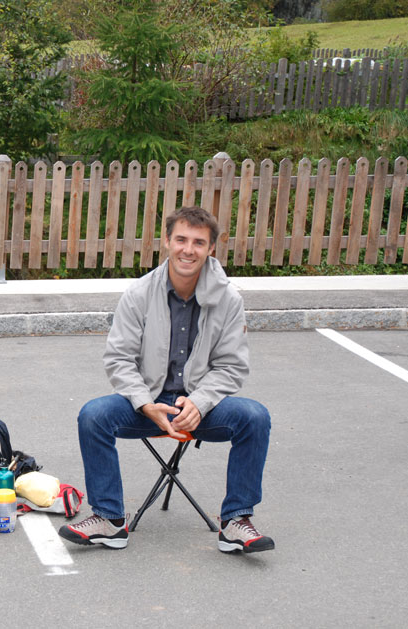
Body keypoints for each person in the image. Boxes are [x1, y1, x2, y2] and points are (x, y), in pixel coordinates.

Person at [59, 206, 273, 554]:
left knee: (255, 417)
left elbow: (232, 366)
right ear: (167, 242)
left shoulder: (229, 299)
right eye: (181, 240)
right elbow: (118, 359)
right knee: (93, 415)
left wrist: (200, 403)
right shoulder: (139, 293)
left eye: (199, 242)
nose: (189, 249)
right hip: (147, 405)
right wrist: (144, 403)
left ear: (211, 249)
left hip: (200, 409)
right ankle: (109, 519)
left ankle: (235, 521)